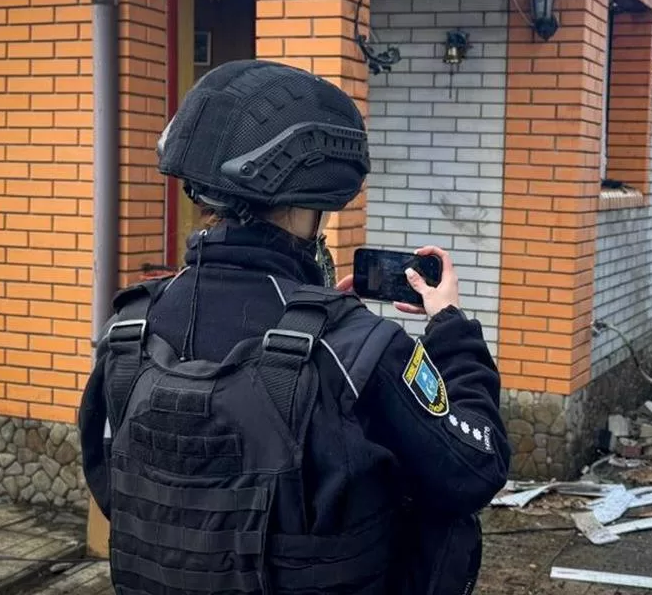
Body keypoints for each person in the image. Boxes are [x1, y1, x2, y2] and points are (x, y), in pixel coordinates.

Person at [77, 59, 510, 595]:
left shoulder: (128, 330)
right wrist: (450, 329)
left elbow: (114, 488)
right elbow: (475, 468)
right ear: (310, 202)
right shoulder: (356, 347)